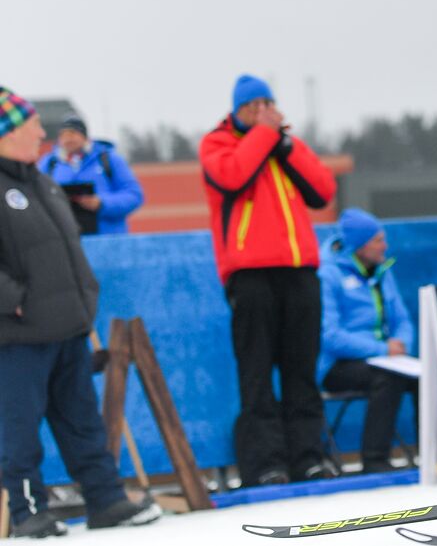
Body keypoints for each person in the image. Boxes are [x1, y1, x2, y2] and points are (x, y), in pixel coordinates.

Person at [0, 87, 162, 537]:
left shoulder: (43, 181)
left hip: (68, 326)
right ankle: (28, 510)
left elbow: (69, 249)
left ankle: (105, 499)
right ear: (6, 134)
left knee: (83, 422)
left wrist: (85, 294)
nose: (41, 132)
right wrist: (15, 299)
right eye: (30, 124)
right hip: (17, 335)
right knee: (20, 429)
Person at [199, 74, 337, 486]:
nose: (262, 112)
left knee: (301, 370)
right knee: (257, 372)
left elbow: (323, 189)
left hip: (298, 270)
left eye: (268, 104)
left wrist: (286, 145)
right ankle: (265, 464)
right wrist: (262, 134)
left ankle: (309, 457)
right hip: (250, 275)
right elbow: (233, 176)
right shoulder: (217, 144)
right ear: (237, 111)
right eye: (253, 106)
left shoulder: (283, 146)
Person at [318, 209, 417, 473]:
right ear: (359, 245)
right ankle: (375, 460)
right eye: (378, 240)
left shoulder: (383, 273)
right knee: (388, 377)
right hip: (338, 366)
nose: (385, 246)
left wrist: (400, 344)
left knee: (428, 376)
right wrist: (383, 349)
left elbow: (403, 320)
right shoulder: (329, 275)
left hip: (384, 359)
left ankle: (436, 454)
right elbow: (330, 336)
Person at [39, 114, 145, 235]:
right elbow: (37, 196)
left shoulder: (109, 159)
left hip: (108, 240)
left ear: (84, 136)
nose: (68, 138)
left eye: (72, 133)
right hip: (65, 240)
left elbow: (134, 195)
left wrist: (101, 203)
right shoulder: (49, 164)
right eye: (63, 135)